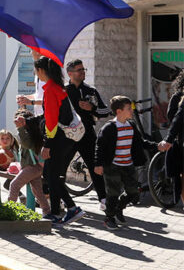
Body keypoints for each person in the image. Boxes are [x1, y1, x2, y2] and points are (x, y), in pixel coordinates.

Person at [35, 56, 85, 226]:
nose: (36, 73)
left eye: (37, 70)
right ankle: (55, 213)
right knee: (52, 174)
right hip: (66, 139)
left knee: (51, 176)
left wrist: (47, 145)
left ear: (42, 71)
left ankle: (72, 209)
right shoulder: (58, 88)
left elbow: (51, 120)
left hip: (58, 140)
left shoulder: (50, 90)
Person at [65, 59, 111, 209]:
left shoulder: (91, 91)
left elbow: (106, 111)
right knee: (60, 167)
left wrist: (91, 108)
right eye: (79, 70)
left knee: (95, 166)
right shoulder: (64, 91)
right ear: (70, 74)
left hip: (87, 135)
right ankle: (57, 199)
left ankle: (103, 199)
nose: (83, 72)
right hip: (68, 136)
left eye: (83, 69)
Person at [95, 96, 144, 229]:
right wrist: (98, 164)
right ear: (119, 111)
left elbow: (140, 143)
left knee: (134, 193)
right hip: (113, 166)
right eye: (129, 108)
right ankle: (109, 218)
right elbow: (100, 147)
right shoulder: (109, 128)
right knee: (113, 193)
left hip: (128, 165)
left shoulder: (131, 125)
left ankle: (119, 207)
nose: (131, 111)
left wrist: (157, 146)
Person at [9, 115, 51, 214]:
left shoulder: (32, 135)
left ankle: (9, 210)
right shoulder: (35, 134)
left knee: (14, 185)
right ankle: (47, 211)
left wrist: (20, 128)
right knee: (37, 191)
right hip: (35, 167)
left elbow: (26, 144)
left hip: (32, 167)